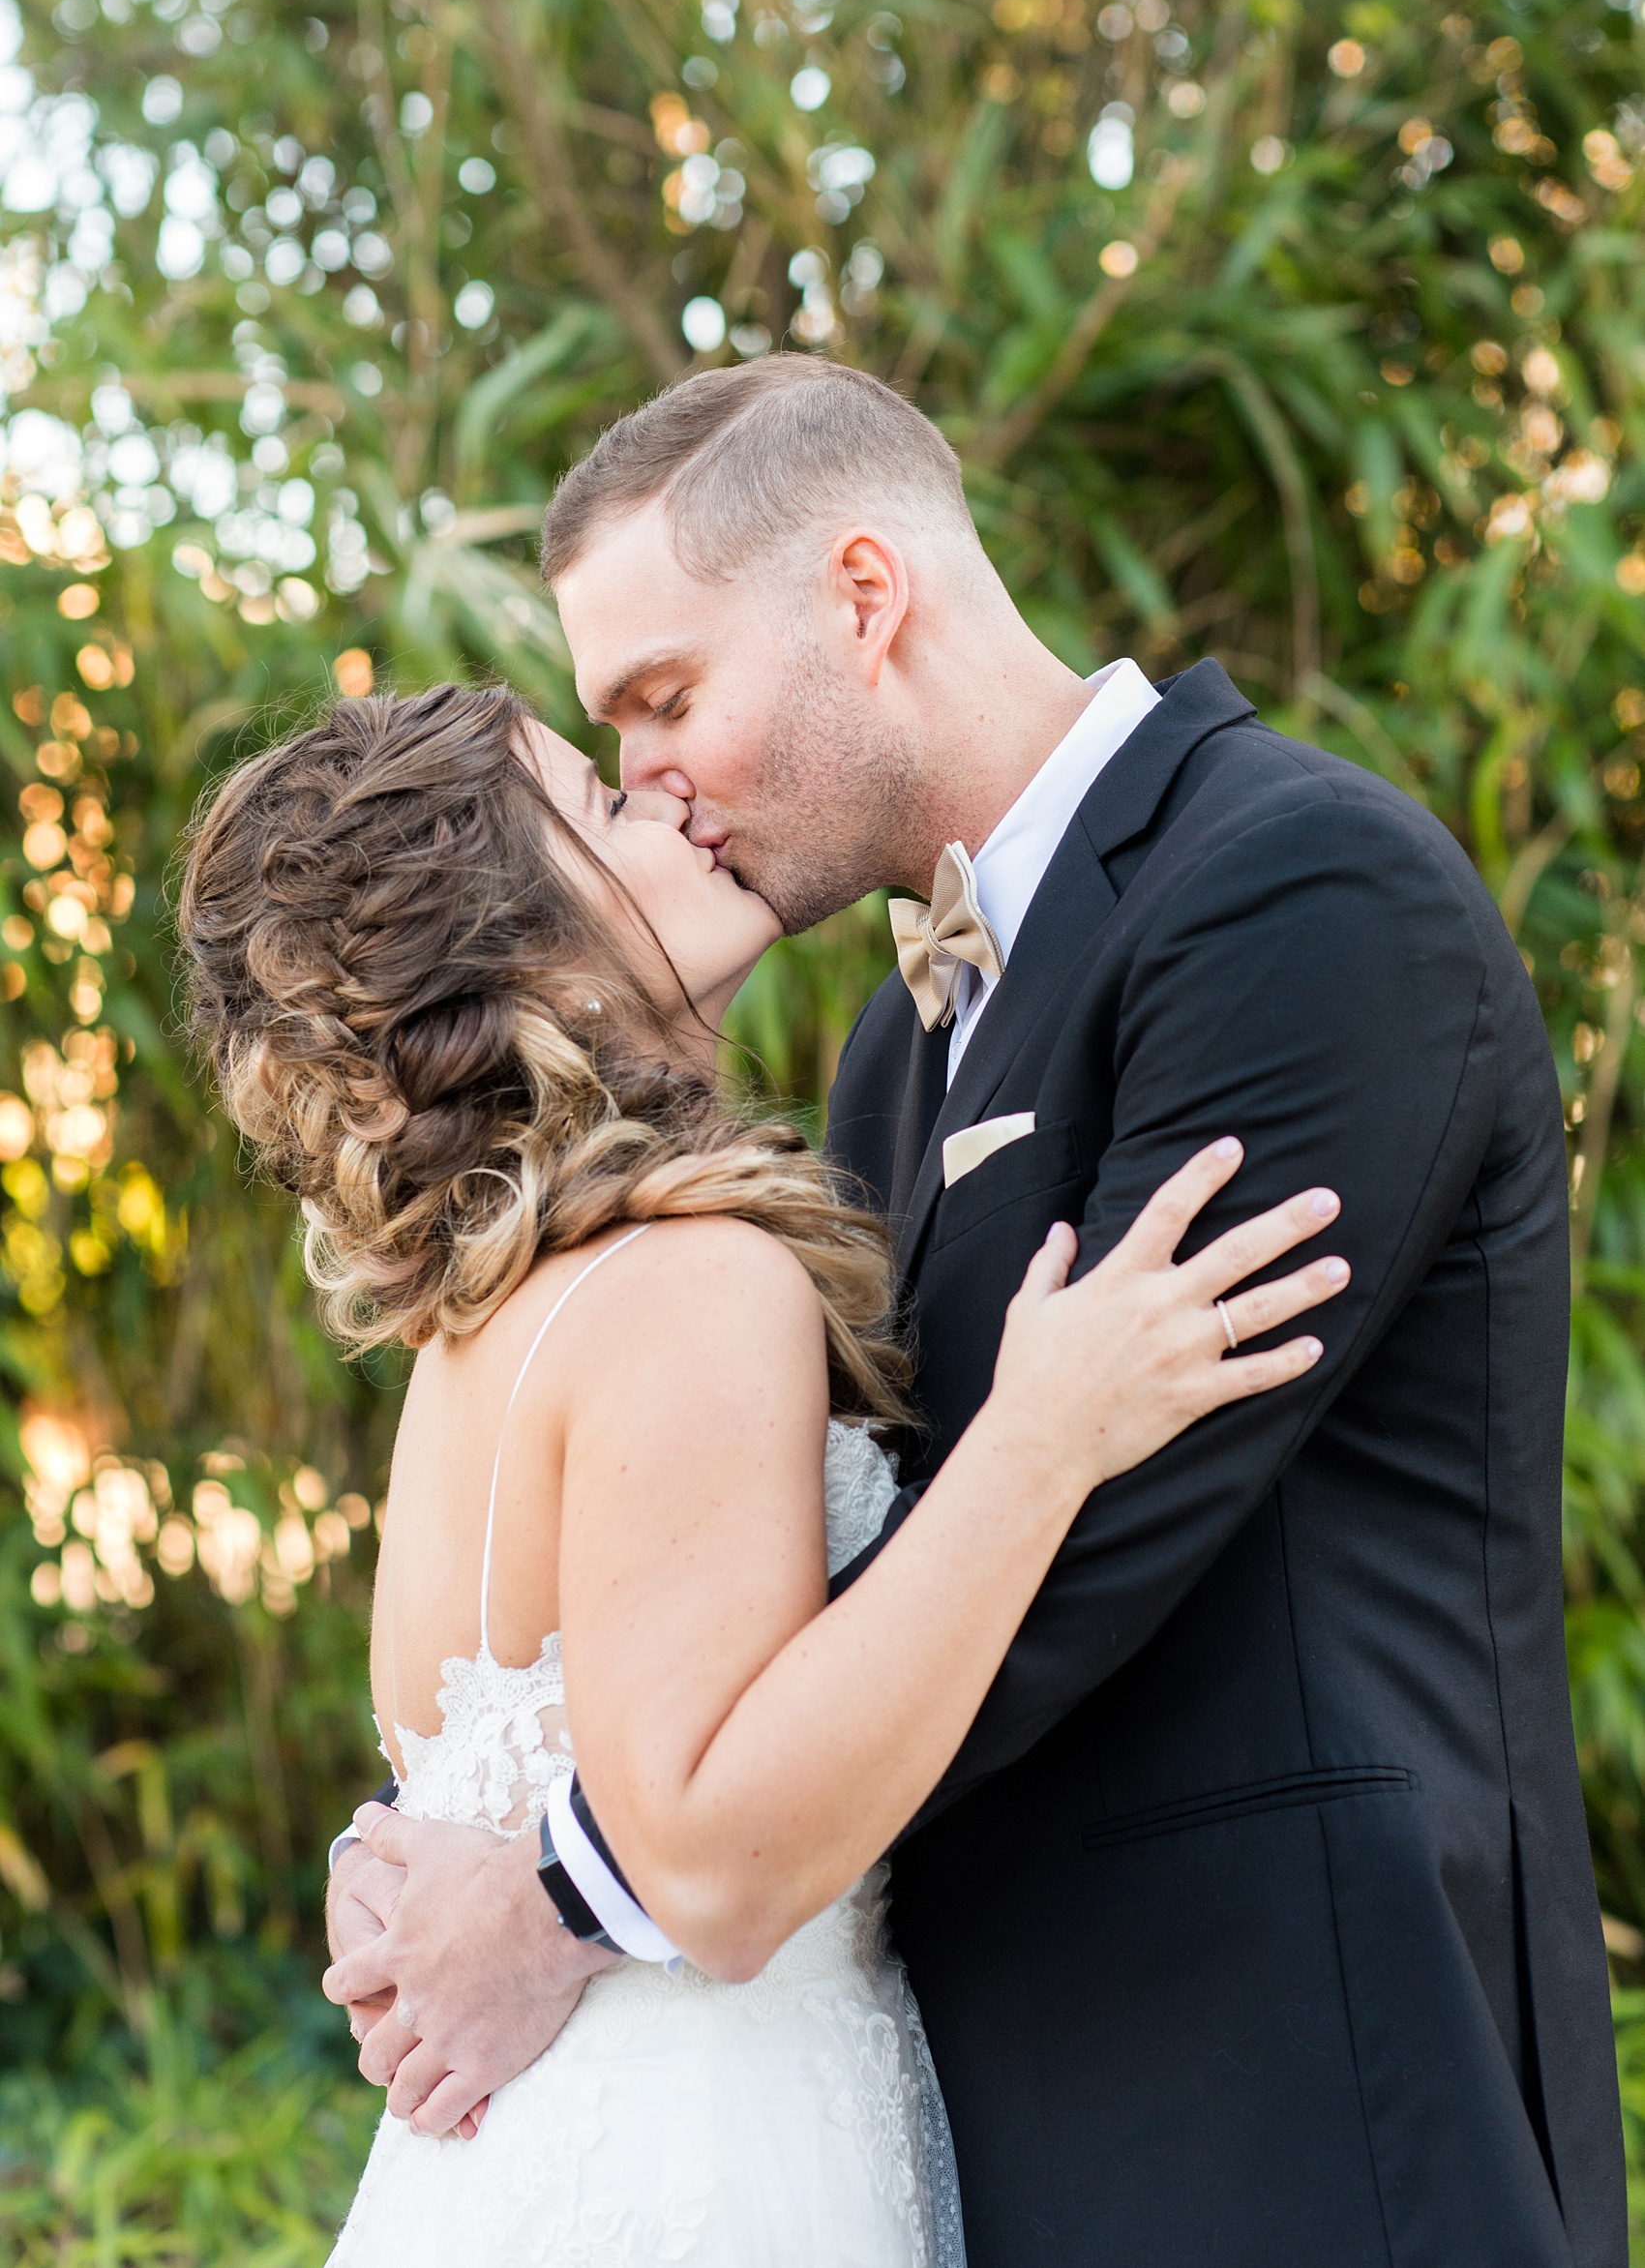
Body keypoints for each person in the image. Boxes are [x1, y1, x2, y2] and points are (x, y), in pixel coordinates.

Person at [324, 358, 1624, 2268]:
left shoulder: (1298, 894)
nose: (653, 780)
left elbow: (1074, 1552)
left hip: (1293, 2093)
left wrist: (561, 1889)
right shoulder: (886, 1048)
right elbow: (761, 1574)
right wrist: (438, 1808)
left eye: (666, 700)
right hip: (989, 2116)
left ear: (864, 593)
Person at [178, 681, 1341, 2268]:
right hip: (703, 2171)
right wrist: (1043, 1435)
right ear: (515, 958)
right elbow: (715, 1865)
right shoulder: (690, 1280)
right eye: (601, 809)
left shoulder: (481, 1323)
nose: (662, 798)